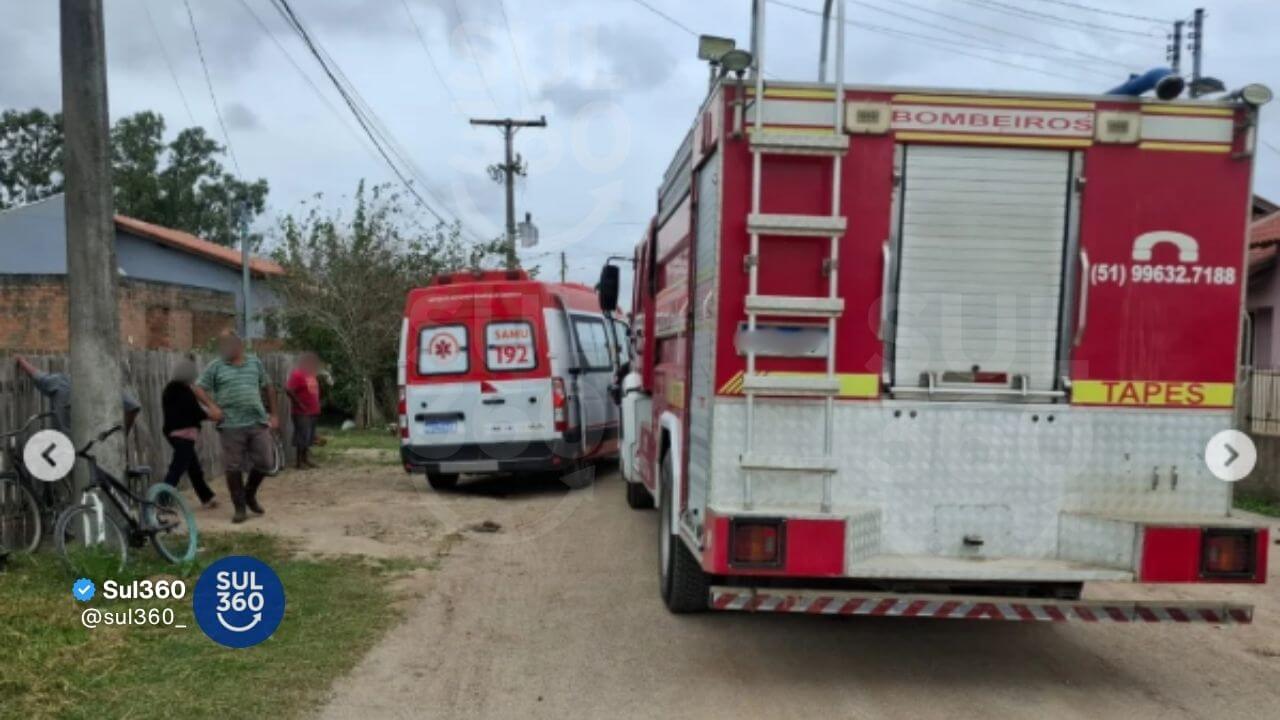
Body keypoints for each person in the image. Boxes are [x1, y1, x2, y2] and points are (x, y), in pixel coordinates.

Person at [191, 331, 279, 524]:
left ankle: (249, 494)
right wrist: (212, 406)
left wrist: (273, 414)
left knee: (265, 461)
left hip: (257, 421)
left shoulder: (255, 362)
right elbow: (197, 387)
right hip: (231, 425)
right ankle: (239, 507)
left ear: (238, 344)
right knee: (233, 467)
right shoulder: (216, 366)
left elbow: (268, 386)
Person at [14, 356, 141, 435]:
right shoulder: (105, 388)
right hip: (96, 447)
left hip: (67, 449)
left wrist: (21, 360)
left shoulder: (60, 383)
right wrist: (122, 433)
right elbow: (133, 407)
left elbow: (37, 375)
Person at [161, 357, 217, 509]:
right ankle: (161, 501)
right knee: (177, 469)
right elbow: (194, 412)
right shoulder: (181, 391)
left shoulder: (172, 389)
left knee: (193, 468)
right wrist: (212, 415)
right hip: (183, 435)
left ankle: (207, 497)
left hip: (177, 434)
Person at [285, 352, 322, 470]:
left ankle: (306, 459)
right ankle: (299, 463)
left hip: (313, 411)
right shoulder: (297, 374)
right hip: (302, 412)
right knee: (301, 437)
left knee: (309, 437)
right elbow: (289, 390)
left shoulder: (311, 375)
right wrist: (299, 404)